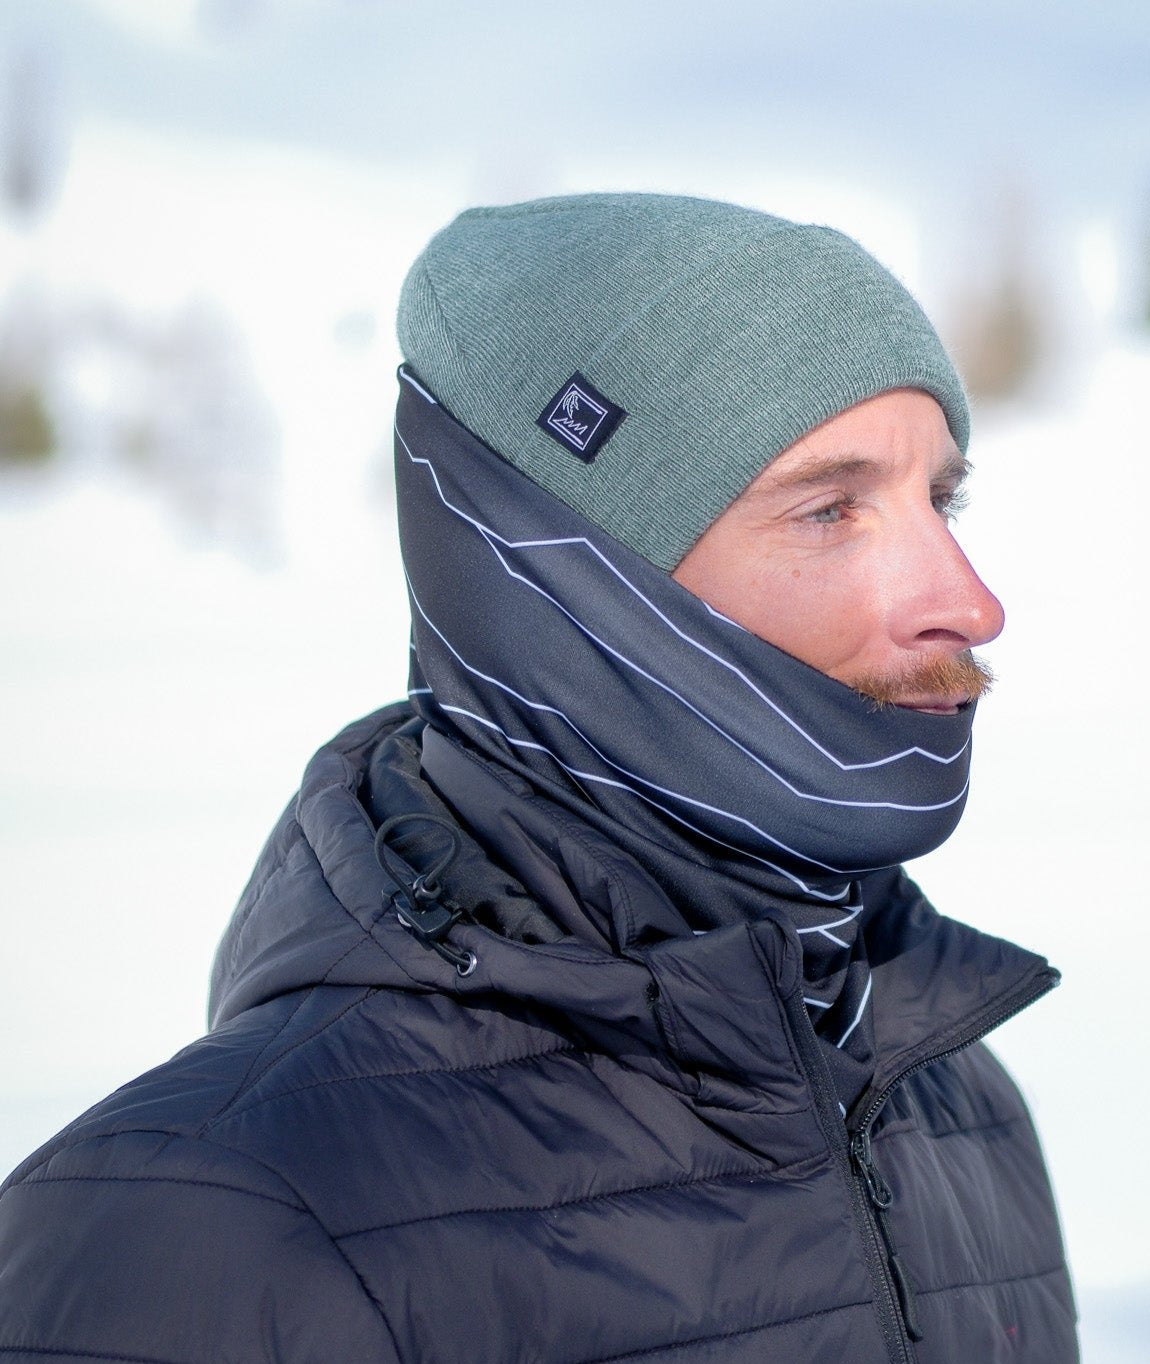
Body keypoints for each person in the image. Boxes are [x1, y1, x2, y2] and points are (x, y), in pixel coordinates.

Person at [0, 194, 1077, 1363]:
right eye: (830, 509)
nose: (970, 602)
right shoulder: (206, 1228)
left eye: (941, 499)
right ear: (575, 583)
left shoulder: (955, 1106)